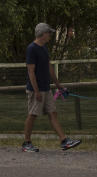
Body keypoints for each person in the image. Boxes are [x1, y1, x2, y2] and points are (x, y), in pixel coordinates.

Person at [22, 22, 80, 152]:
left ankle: (64, 141)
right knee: (32, 115)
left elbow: (49, 68)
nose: (50, 36)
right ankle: (26, 143)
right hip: (35, 89)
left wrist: (59, 86)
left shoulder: (44, 48)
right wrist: (36, 91)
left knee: (53, 113)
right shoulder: (32, 48)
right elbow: (31, 72)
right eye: (49, 33)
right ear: (42, 34)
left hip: (46, 89)